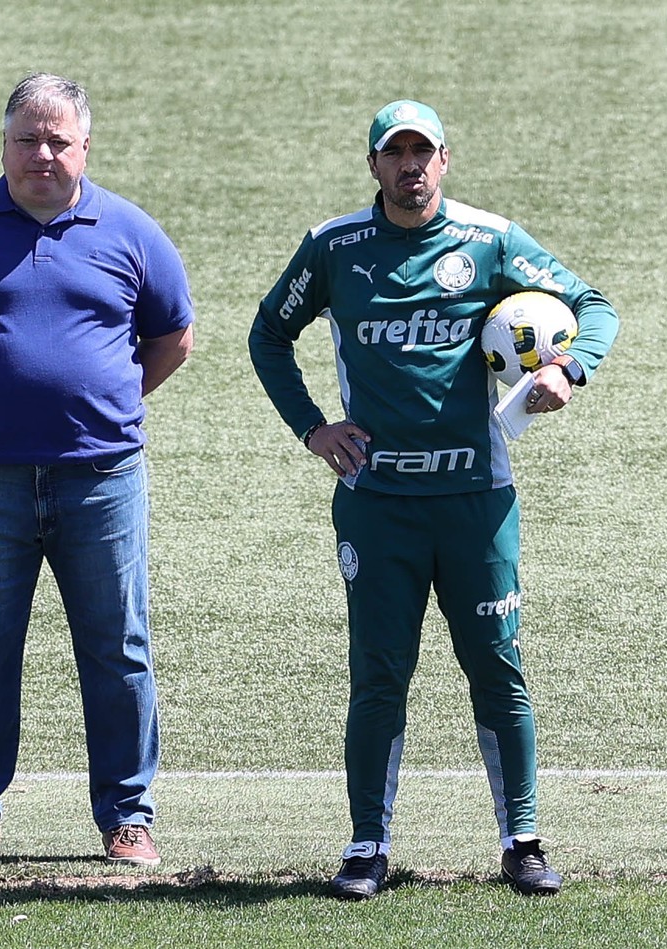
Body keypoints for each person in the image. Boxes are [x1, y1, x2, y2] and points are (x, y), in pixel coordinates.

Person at [248, 99, 618, 899]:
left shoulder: (490, 241)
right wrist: (314, 429)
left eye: (424, 151)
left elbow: (596, 307)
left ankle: (522, 839)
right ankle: (365, 844)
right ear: (374, 164)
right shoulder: (335, 247)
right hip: (378, 506)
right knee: (379, 673)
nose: (410, 165)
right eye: (395, 153)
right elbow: (267, 335)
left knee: (498, 666)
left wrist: (567, 368)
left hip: (476, 503)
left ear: (445, 159)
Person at [0, 73, 194, 868]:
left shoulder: (130, 230)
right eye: (28, 138)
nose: (43, 153)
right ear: (5, 146)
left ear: (85, 146)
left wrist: (104, 405)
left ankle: (127, 817)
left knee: (118, 647)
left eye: (59, 140)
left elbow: (173, 340)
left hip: (103, 481)